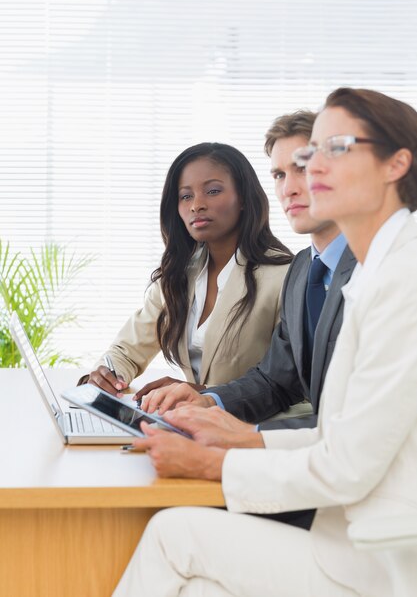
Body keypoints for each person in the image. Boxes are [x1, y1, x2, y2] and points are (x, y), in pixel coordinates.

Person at [112, 88, 417, 597]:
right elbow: (338, 428)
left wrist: (218, 463)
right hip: (352, 534)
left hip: (382, 555)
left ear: (396, 164)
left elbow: (347, 463)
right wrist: (238, 434)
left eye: (335, 148)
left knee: (172, 533)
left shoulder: (401, 277)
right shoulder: (373, 268)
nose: (310, 169)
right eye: (303, 157)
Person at [136, 111, 356, 435]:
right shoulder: (303, 271)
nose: (289, 189)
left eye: (303, 168)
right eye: (279, 175)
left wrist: (241, 441)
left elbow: (360, 421)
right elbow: (275, 381)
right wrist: (208, 402)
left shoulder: (379, 267)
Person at [80, 142, 292, 394]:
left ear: (244, 198)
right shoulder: (179, 274)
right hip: (194, 426)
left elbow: (290, 386)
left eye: (213, 191)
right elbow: (128, 350)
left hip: (253, 429)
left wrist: (202, 393)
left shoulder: (284, 277)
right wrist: (108, 376)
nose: (196, 205)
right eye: (186, 196)